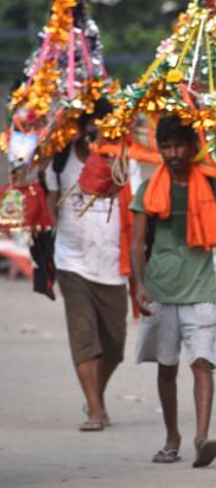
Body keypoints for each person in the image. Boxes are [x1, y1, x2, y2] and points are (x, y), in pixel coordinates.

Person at [130, 115, 216, 468]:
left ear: (193, 147)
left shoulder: (209, 184)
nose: (173, 153)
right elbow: (137, 243)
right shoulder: (148, 190)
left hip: (200, 288)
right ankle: (171, 438)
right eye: (167, 146)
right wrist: (140, 284)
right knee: (166, 368)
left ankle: (201, 438)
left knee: (203, 363)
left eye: (179, 146)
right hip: (161, 289)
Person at [44, 98, 141, 431]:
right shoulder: (59, 160)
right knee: (83, 335)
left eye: (100, 127)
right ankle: (96, 411)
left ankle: (95, 395)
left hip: (113, 264)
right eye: (88, 126)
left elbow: (140, 211)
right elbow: (49, 203)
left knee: (114, 346)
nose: (93, 133)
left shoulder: (125, 160)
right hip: (70, 260)